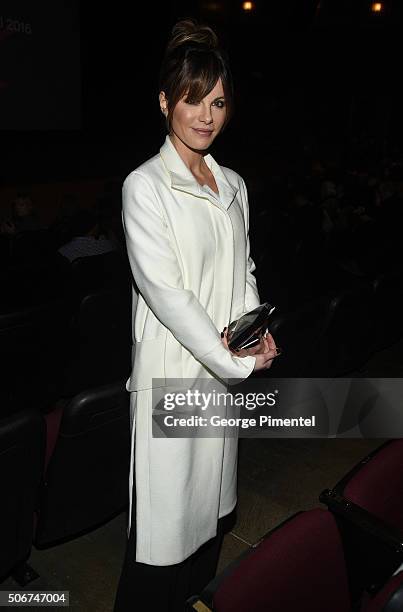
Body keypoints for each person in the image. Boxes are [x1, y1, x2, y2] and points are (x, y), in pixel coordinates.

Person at [113, 17, 278, 612]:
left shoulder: (232, 184)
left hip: (222, 375)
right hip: (175, 380)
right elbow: (170, 297)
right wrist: (234, 364)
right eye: (192, 100)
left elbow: (243, 271)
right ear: (164, 102)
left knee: (206, 524)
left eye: (217, 102)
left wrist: (256, 330)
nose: (206, 115)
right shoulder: (145, 187)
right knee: (160, 542)